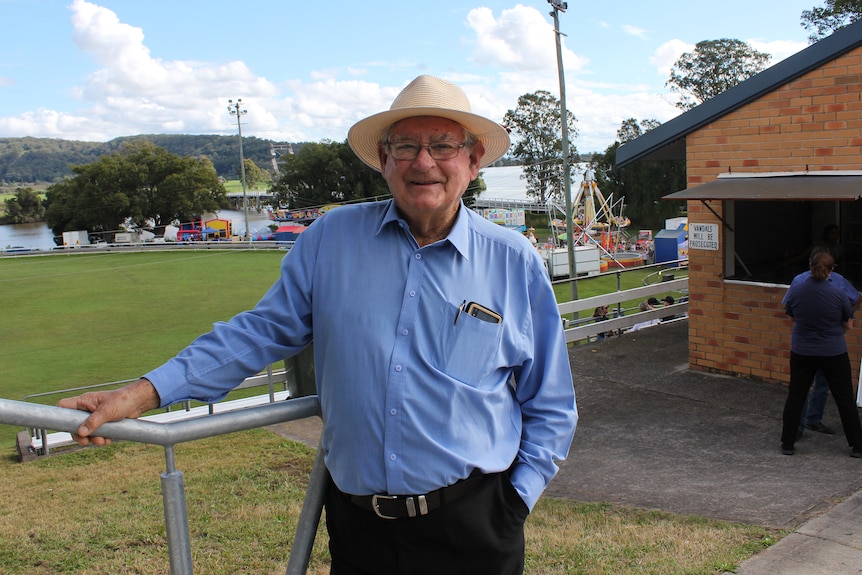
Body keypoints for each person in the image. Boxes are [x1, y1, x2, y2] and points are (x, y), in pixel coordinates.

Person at [58, 75, 578, 574]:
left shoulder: (513, 261)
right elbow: (258, 332)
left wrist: (515, 500)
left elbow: (550, 401)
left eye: (442, 146)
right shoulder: (330, 238)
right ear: (383, 158)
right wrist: (144, 393)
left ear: (473, 158)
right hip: (358, 531)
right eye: (405, 147)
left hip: (476, 527)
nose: (424, 163)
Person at [779, 250, 862, 458]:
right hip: (832, 350)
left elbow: (791, 315)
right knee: (844, 398)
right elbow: (847, 322)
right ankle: (857, 445)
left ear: (810, 265)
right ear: (832, 269)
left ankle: (788, 443)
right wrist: (837, 330)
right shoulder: (837, 292)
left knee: (796, 395)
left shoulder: (797, 288)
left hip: (802, 349)